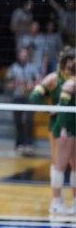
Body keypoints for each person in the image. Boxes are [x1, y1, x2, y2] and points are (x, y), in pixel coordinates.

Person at [30, 47, 75, 213]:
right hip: (58, 126)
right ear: (64, 63)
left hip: (73, 124)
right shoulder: (54, 79)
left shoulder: (73, 79)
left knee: (74, 164)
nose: (71, 65)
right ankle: (56, 201)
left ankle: (72, 201)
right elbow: (34, 96)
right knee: (58, 163)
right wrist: (50, 109)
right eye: (69, 62)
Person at [6, 48, 39, 156]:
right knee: (18, 121)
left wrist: (31, 85)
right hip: (17, 97)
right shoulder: (13, 68)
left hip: (29, 97)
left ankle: (28, 143)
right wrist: (16, 84)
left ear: (27, 56)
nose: (24, 56)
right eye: (22, 55)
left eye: (25, 55)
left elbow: (39, 81)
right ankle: (19, 143)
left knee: (29, 120)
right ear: (18, 56)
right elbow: (8, 85)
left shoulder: (33, 67)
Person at [54, 68, 76, 214]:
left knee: (75, 166)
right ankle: (56, 202)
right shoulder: (69, 85)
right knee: (60, 166)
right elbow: (62, 108)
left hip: (74, 129)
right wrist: (62, 128)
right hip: (65, 130)